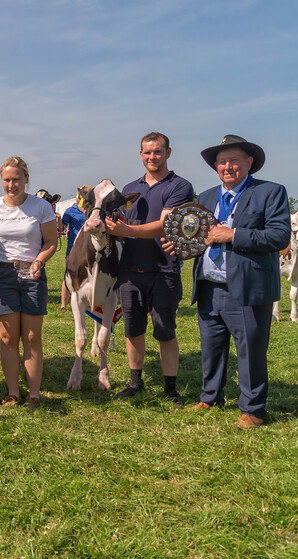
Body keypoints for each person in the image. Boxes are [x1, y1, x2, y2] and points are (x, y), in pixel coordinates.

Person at [186, 135, 289, 427]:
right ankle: (210, 397)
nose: (227, 166)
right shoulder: (205, 198)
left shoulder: (270, 192)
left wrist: (232, 235)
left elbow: (279, 236)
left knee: (250, 350)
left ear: (249, 162)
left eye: (234, 160)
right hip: (208, 286)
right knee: (211, 347)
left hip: (246, 288)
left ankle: (253, 409)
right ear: (215, 166)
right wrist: (181, 246)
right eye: (222, 161)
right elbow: (195, 237)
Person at [104, 132, 193, 406]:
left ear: (168, 153)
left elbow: (166, 225)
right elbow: (118, 225)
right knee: (132, 329)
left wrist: (126, 229)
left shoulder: (179, 186)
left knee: (164, 329)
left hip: (163, 270)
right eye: (147, 152)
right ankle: (135, 381)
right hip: (129, 270)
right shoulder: (130, 187)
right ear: (140, 154)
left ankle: (170, 388)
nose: (152, 157)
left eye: (157, 152)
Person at [0, 156, 58, 410]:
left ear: (26, 179)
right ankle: (13, 393)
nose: (11, 185)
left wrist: (39, 262)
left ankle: (34, 395)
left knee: (32, 336)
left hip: (32, 273)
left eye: (16, 180)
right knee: (7, 336)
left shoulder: (41, 206)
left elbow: (51, 242)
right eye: (7, 180)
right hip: (2, 276)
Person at [60, 199, 86, 310]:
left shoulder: (93, 209)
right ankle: (63, 304)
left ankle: (85, 302)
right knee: (69, 274)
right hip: (73, 246)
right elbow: (62, 227)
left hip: (89, 246)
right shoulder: (70, 211)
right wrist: (57, 219)